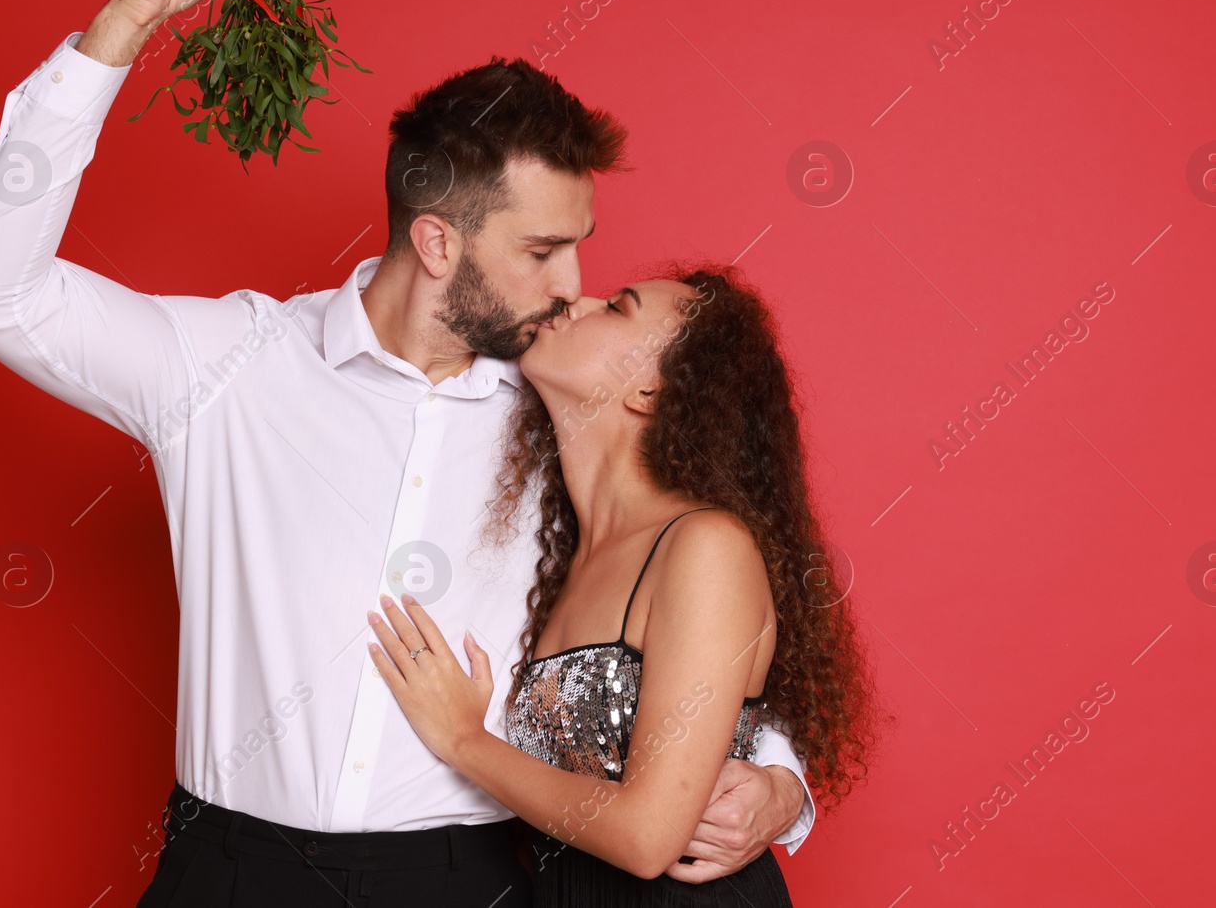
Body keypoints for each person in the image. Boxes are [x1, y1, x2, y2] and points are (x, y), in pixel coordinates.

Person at [0, 0, 817, 906]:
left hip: (468, 879)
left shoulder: (567, 410)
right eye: (540, 250)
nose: (574, 283)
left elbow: (665, 615)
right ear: (438, 243)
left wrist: (780, 781)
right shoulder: (231, 360)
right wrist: (123, 25)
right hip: (229, 871)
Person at [369, 265, 879, 904]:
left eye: (616, 307)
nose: (573, 301)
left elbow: (647, 837)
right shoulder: (559, 544)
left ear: (649, 392)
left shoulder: (704, 547)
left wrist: (464, 739)